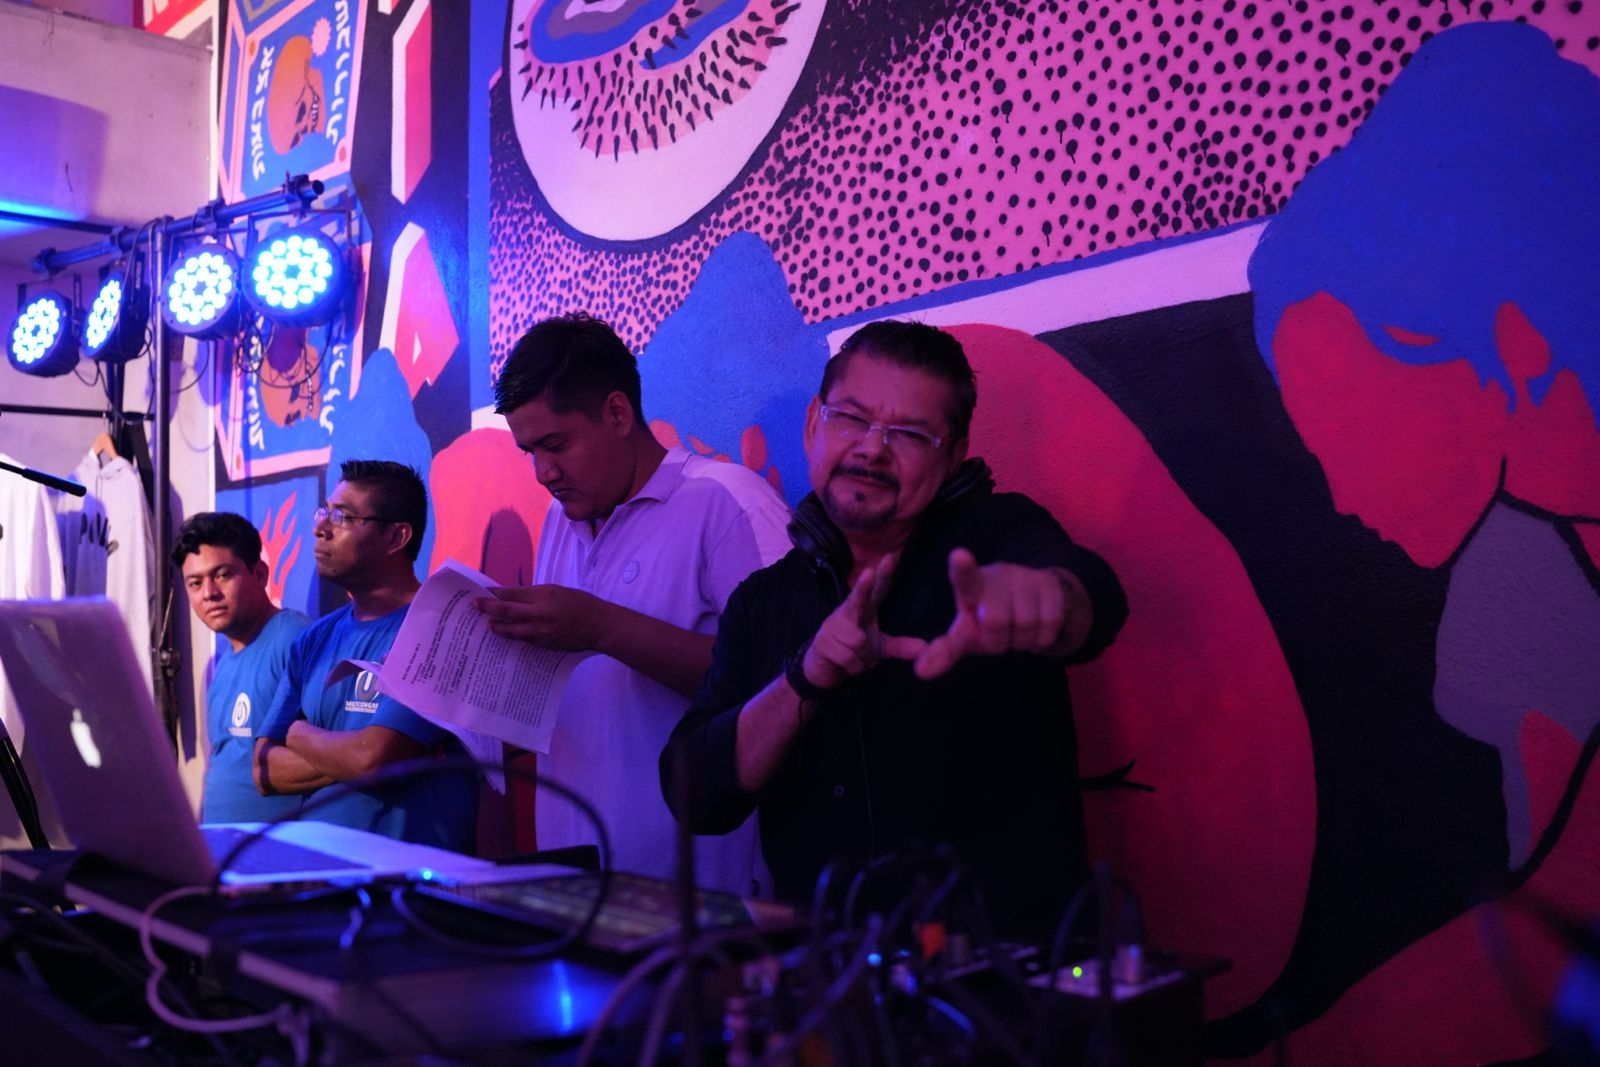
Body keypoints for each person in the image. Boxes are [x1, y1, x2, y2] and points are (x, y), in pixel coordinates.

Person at [661, 319, 1128, 938]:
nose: (872, 448)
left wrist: (1052, 600)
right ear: (813, 423)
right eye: (851, 418)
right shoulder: (761, 601)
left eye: (909, 434)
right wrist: (805, 677)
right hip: (831, 977)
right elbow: (695, 793)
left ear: (954, 455)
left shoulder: (999, 536)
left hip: (1007, 979)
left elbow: (1092, 598)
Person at [481, 312, 792, 893]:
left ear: (618, 414)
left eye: (556, 444)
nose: (544, 472)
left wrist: (602, 627)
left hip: (704, 898)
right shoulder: (561, 519)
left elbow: (784, 681)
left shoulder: (726, 503)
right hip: (578, 883)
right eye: (530, 452)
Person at [254, 460, 477, 852]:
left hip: (409, 877)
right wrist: (368, 755)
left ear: (396, 537)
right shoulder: (313, 639)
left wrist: (299, 734)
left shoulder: (442, 626)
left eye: (342, 516)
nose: (321, 528)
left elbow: (372, 760)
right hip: (319, 869)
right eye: (324, 512)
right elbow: (265, 770)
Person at [173, 512, 309, 824]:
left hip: (278, 849)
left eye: (222, 575)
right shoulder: (221, 664)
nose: (209, 593)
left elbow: (334, 760)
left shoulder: (293, 639)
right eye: (195, 583)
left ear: (259, 574)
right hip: (219, 847)